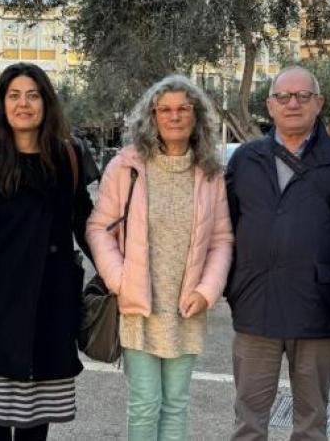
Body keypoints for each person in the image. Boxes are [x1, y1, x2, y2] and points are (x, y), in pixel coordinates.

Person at [0, 63, 93, 441]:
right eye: (14, 95)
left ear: (46, 103)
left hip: (51, 306)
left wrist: (117, 274)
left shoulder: (68, 157)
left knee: (36, 422)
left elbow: (86, 224)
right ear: (1, 103)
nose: (23, 104)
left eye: (32, 95)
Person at [86, 74, 233, 440]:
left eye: (183, 108)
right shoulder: (126, 167)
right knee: (145, 404)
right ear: (151, 116)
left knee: (176, 404)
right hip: (138, 306)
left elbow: (221, 240)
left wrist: (207, 291)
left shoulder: (210, 173)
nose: (174, 116)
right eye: (164, 109)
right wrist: (119, 281)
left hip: (187, 307)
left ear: (196, 115)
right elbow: (99, 228)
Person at [224, 66, 330, 440]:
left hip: (319, 307)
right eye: (283, 96)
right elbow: (227, 228)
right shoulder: (245, 159)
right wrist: (233, 286)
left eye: (303, 96)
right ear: (270, 106)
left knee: (311, 421)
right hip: (256, 306)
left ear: (319, 103)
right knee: (248, 419)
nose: (293, 104)